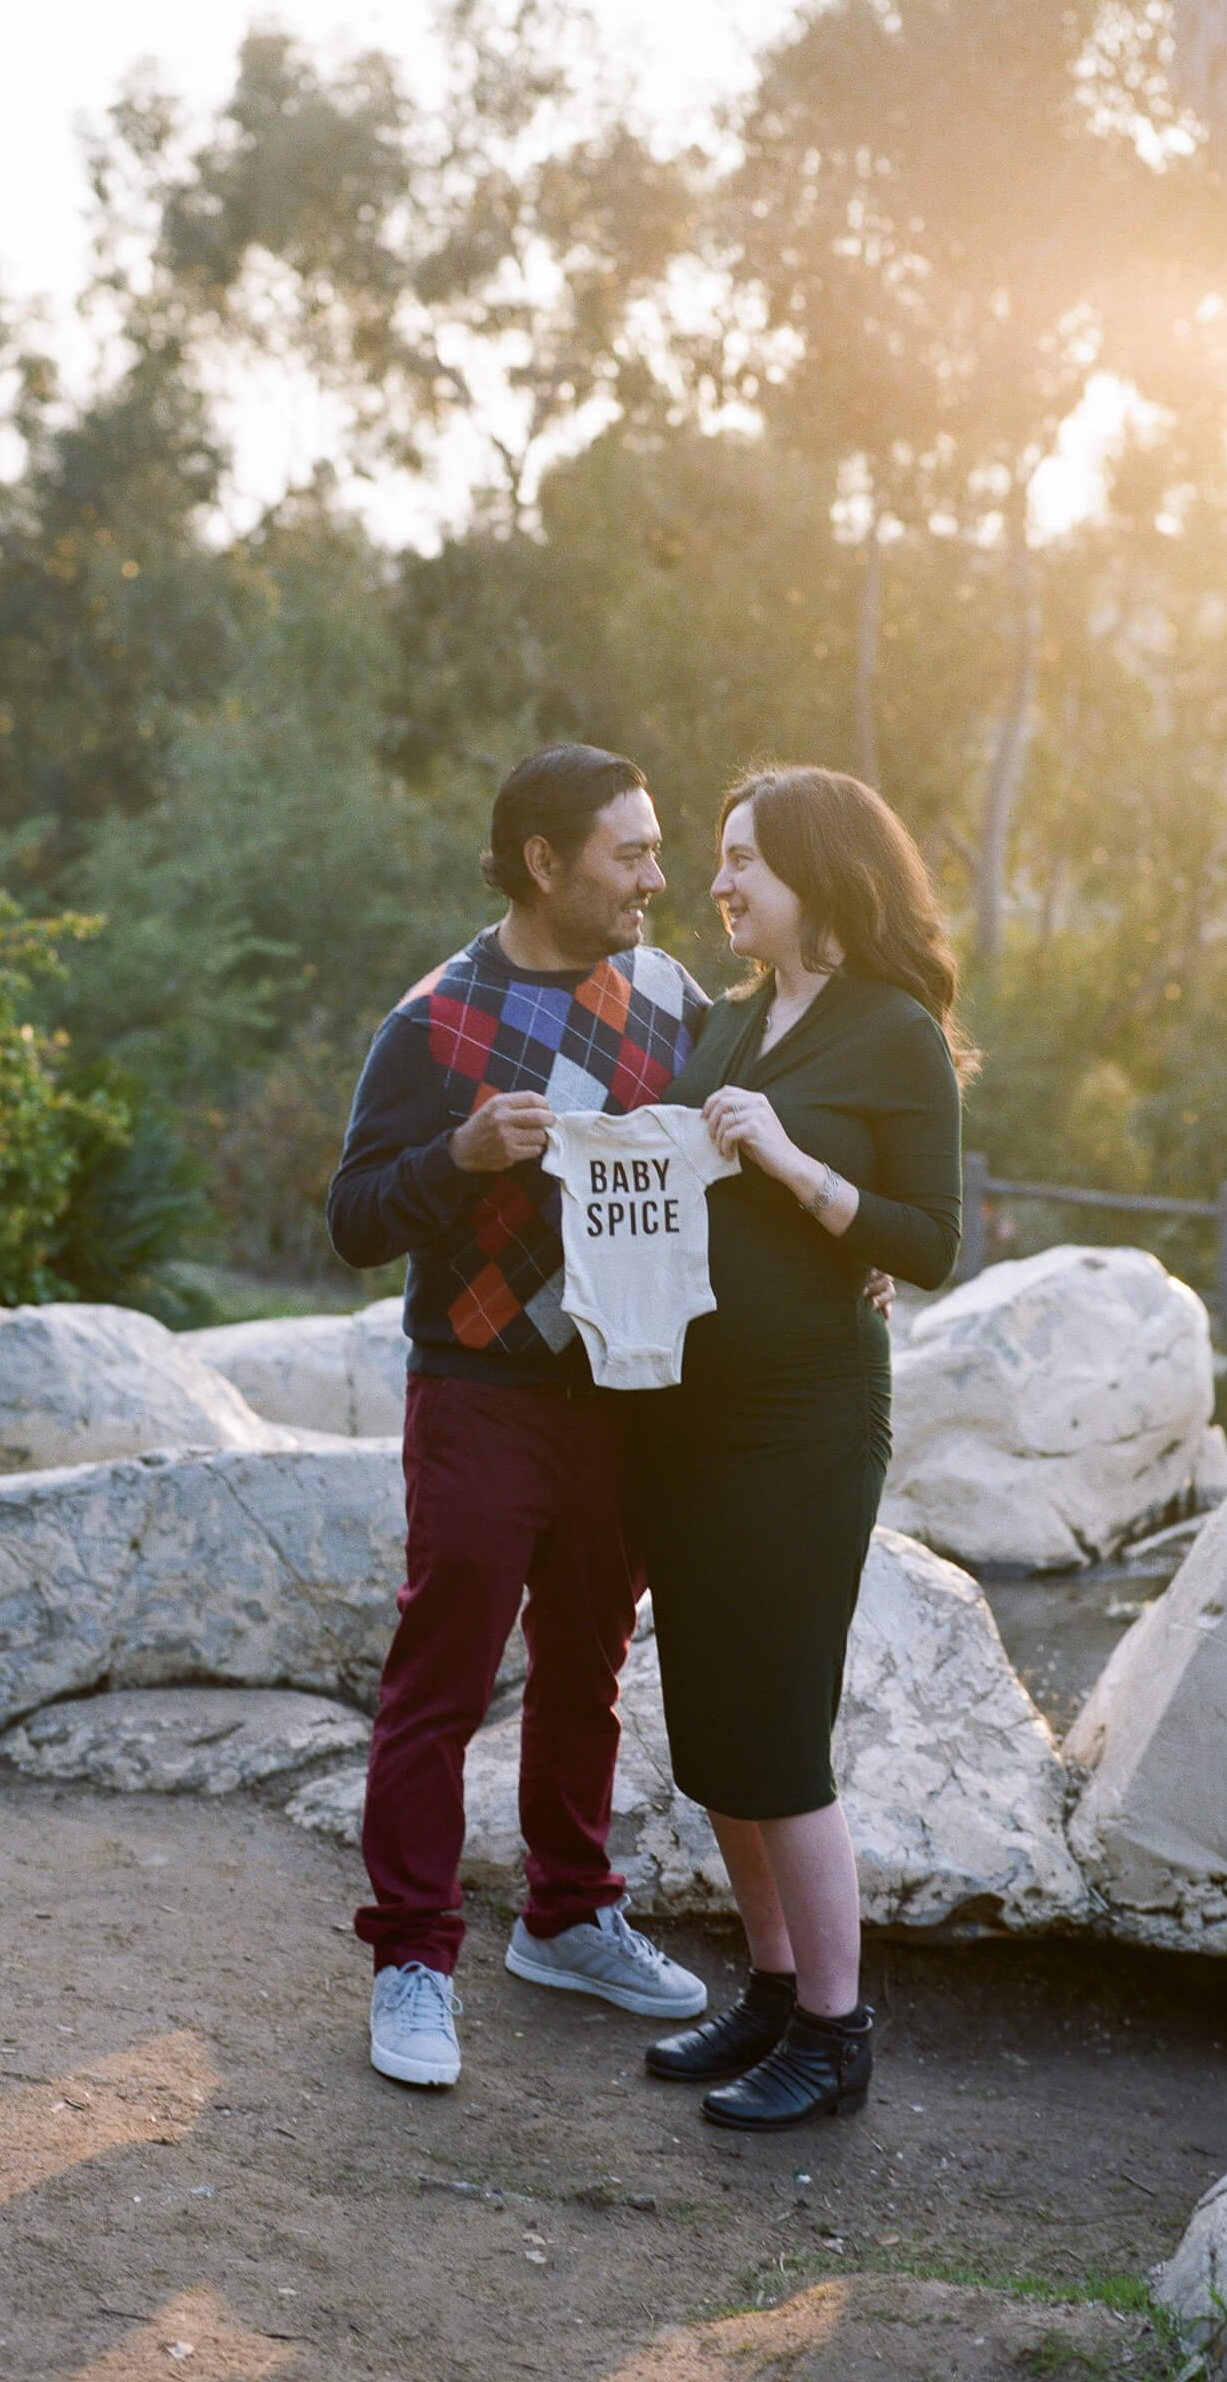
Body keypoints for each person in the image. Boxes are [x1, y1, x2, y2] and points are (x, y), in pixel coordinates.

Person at [326, 744, 711, 2090]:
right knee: (441, 1683)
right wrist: (458, 1156)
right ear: (545, 863)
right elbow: (353, 1219)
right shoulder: (432, 1022)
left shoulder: (667, 995)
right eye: (632, 853)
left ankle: (566, 1915)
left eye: (659, 849)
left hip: (625, 1397)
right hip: (479, 1397)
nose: (658, 878)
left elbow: (736, 1143)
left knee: (586, 1672)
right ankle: (415, 1962)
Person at [629, 765, 968, 2130]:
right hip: (691, 1418)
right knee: (710, 1721)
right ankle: (770, 1993)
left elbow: (929, 1244)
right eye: (717, 860)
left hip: (811, 1423)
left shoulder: (897, 1035)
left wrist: (793, 1165)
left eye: (745, 861)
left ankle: (836, 2034)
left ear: (820, 874)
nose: (722, 884)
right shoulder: (719, 1026)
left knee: (778, 1728)